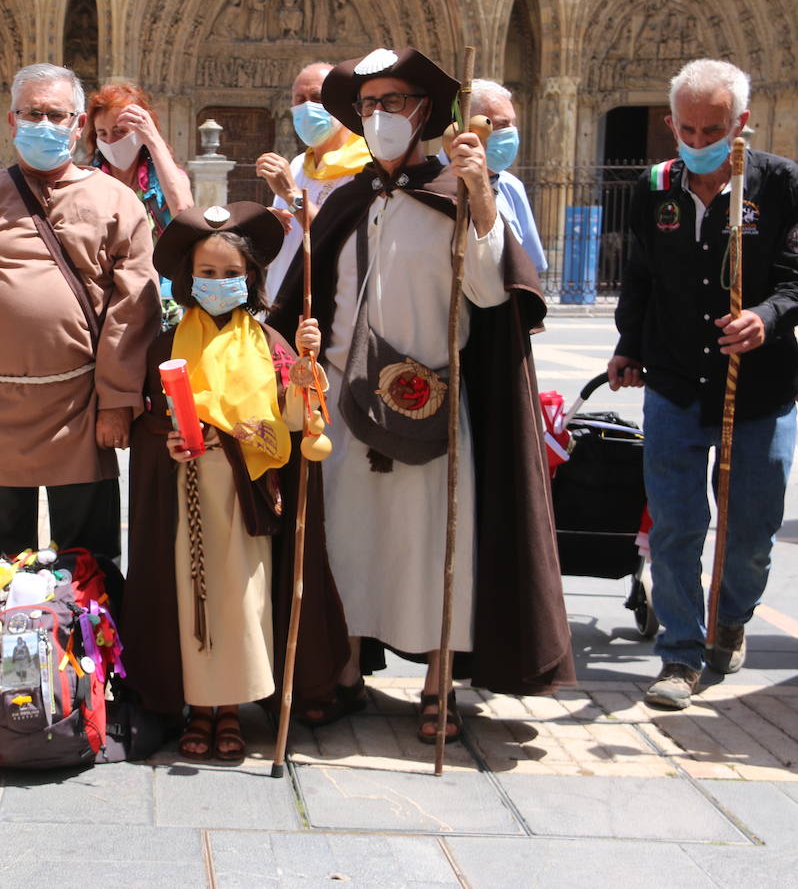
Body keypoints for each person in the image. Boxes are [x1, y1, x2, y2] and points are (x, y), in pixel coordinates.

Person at [273, 48, 574, 743]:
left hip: (433, 401)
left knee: (436, 544)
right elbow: (306, 297)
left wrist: (483, 199)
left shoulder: (453, 194)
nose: (380, 116)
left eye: (396, 103)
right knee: (347, 540)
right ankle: (345, 671)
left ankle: (440, 681)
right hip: (346, 407)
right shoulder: (344, 201)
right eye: (370, 104)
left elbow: (493, 292)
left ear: (428, 114)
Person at [121, 202, 348, 760]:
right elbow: (149, 420)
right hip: (186, 494)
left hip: (250, 499)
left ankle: (233, 709)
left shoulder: (273, 343)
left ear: (250, 278)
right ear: (188, 278)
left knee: (241, 602)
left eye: (230, 274)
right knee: (190, 599)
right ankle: (197, 707)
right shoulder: (166, 344)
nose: (218, 283)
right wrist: (163, 440)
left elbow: (298, 424)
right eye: (207, 273)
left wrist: (306, 372)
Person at [608, 59, 798, 710]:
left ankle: (733, 615)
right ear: (670, 124)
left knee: (749, 531)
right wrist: (628, 347)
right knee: (677, 526)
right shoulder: (653, 186)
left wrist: (765, 317)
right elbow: (639, 276)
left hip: (761, 389)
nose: (697, 141)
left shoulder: (780, 184)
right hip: (674, 383)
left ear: (740, 124)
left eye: (711, 128)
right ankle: (681, 654)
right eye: (685, 129)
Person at [0, 63, 159, 564]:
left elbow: (133, 309)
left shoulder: (117, 200)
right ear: (11, 120)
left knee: (88, 568)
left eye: (56, 114)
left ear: (77, 125)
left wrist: (117, 400)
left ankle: (91, 646)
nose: (43, 124)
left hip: (82, 408)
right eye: (32, 113)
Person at [255, 62, 370, 303]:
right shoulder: (297, 165)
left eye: (317, 98)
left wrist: (292, 195)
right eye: (299, 99)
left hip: (329, 309)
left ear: (344, 103)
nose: (307, 106)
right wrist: (268, 225)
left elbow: (342, 242)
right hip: (281, 303)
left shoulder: (367, 168)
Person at [84, 82, 193, 324]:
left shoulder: (165, 178)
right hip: (105, 305)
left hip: (162, 306)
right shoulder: (87, 182)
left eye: (120, 131)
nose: (111, 141)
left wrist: (153, 139)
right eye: (102, 133)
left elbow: (184, 212)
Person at [437, 79, 547, 273]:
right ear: (465, 127)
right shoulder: (428, 183)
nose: (511, 132)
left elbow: (529, 268)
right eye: (501, 124)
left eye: (513, 123)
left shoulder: (512, 187)